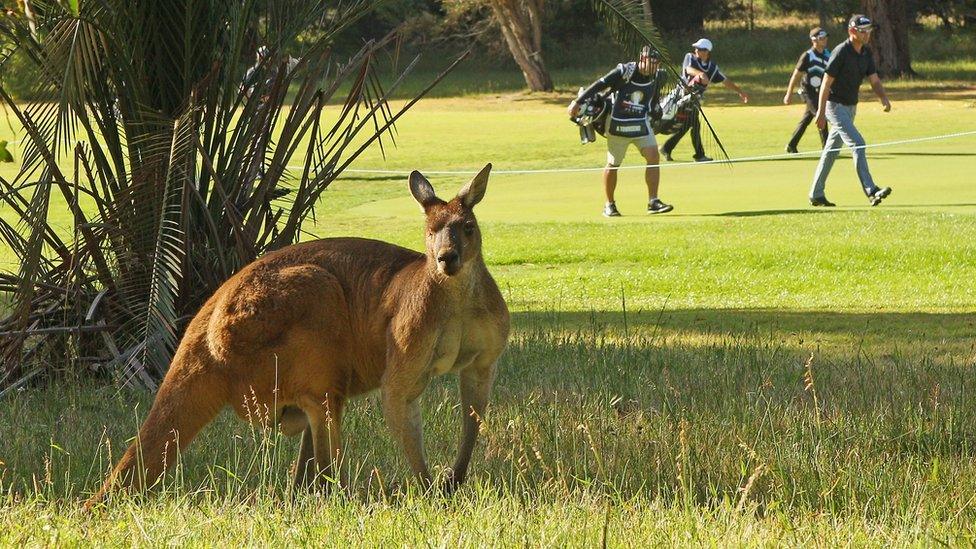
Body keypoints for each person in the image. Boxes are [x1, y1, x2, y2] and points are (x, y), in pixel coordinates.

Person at [568, 46, 673, 216]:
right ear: (642, 59)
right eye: (649, 61)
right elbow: (600, 84)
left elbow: (653, 98)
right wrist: (578, 102)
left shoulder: (659, 76)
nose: (652, 65)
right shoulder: (625, 71)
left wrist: (656, 109)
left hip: (641, 123)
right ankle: (609, 204)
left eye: (655, 63)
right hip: (618, 124)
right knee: (614, 164)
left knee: (653, 156)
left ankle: (653, 201)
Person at [809, 14, 893, 207]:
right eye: (863, 31)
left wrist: (883, 98)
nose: (867, 35)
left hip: (851, 107)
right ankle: (871, 190)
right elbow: (825, 84)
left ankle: (816, 193)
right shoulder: (841, 52)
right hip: (834, 106)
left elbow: (874, 79)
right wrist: (821, 113)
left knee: (831, 151)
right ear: (852, 31)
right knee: (858, 143)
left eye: (869, 31)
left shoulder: (866, 52)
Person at [661, 38, 749, 163]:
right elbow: (688, 69)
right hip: (681, 97)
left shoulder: (712, 68)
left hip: (693, 101)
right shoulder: (690, 57)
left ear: (707, 52)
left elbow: (725, 81)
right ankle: (695, 154)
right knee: (690, 124)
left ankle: (669, 148)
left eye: (700, 49)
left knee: (691, 125)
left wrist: (740, 91)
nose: (697, 50)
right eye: (696, 48)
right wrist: (700, 75)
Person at [783, 27, 831, 153]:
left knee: (807, 119)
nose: (825, 40)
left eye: (825, 37)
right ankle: (828, 149)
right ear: (814, 40)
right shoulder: (807, 56)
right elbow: (796, 76)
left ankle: (791, 145)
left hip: (820, 92)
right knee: (822, 117)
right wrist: (789, 94)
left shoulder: (827, 54)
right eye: (822, 38)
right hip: (808, 91)